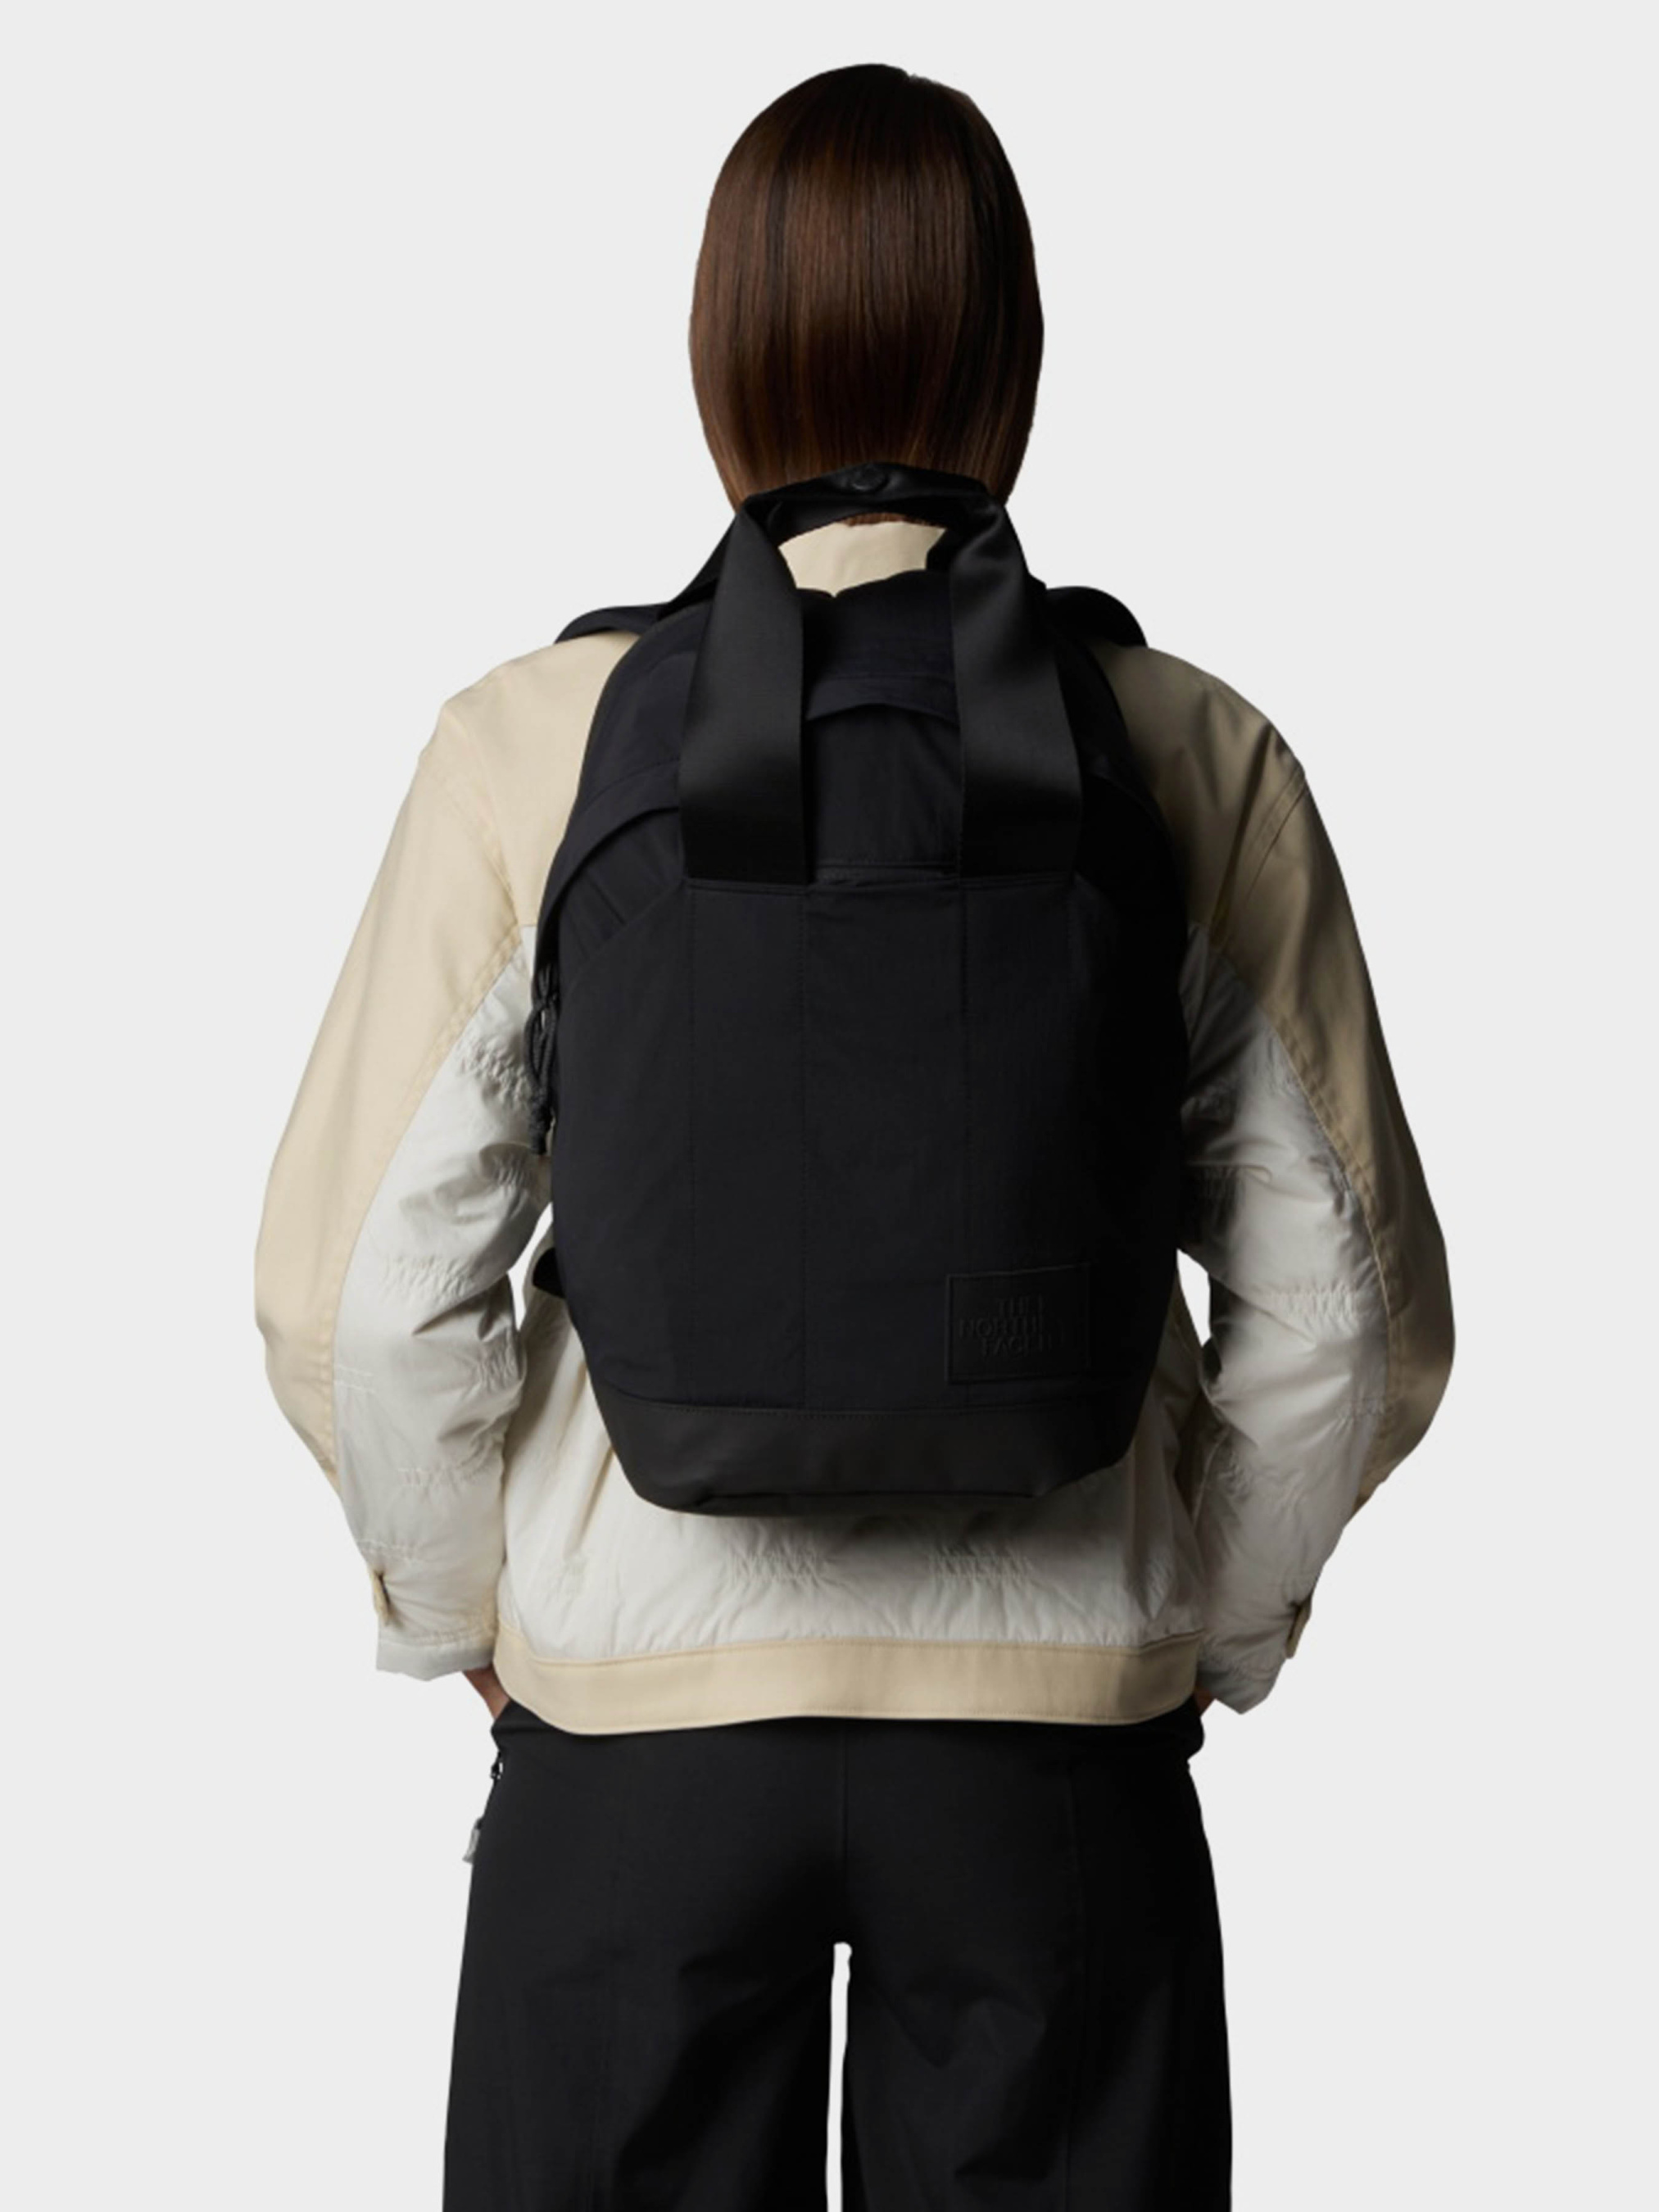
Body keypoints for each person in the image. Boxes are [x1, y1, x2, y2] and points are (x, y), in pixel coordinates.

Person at [253, 60, 1454, 2212]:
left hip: (629, 1745)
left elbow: (354, 1300)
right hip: (1052, 1774)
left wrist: (479, 1621)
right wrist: (1204, 1619)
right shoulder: (1186, 749)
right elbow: (1348, 1321)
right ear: (1014, 360)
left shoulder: (533, 741)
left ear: (718, 352)